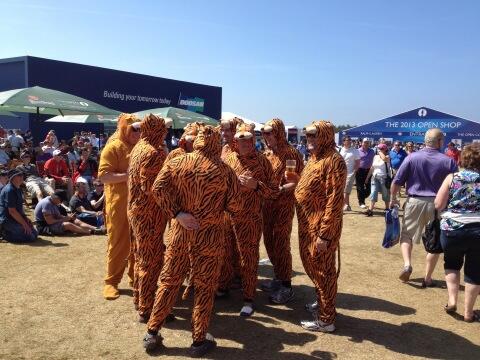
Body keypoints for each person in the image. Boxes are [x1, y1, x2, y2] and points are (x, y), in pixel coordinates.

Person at [143, 125, 243, 357]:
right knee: (205, 287)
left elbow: (157, 189)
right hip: (210, 235)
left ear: (196, 141)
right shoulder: (224, 170)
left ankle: (152, 331)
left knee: (169, 281)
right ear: (217, 143)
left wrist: (177, 213)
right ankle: (198, 340)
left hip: (181, 232)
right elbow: (236, 205)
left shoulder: (177, 162)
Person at [220, 123, 279, 316]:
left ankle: (248, 298)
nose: (244, 143)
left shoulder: (262, 162)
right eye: (240, 140)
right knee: (227, 254)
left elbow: (273, 192)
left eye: (247, 140)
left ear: (253, 141)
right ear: (235, 141)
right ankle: (224, 287)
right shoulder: (228, 159)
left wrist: (256, 186)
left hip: (250, 218)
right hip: (228, 217)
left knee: (249, 258)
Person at [294, 121, 347, 332]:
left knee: (324, 272)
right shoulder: (315, 158)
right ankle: (322, 302)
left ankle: (326, 319)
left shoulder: (334, 161)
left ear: (325, 136)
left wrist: (325, 235)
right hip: (307, 225)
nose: (310, 139)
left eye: (314, 135)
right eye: (307, 135)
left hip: (320, 228)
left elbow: (334, 201)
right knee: (314, 269)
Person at [390, 128, 457, 287]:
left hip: (414, 201)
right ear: (440, 142)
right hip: (438, 204)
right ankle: (427, 277)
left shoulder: (412, 157)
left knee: (407, 235)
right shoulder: (448, 161)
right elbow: (456, 185)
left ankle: (407, 264)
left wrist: (393, 199)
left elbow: (397, 181)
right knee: (434, 241)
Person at [128, 114, 171, 322]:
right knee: (150, 260)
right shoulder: (153, 153)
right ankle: (147, 307)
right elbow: (151, 189)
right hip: (149, 214)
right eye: (163, 130)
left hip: (137, 211)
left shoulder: (138, 147)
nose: (165, 133)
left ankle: (139, 297)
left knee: (140, 256)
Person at [259, 118, 304, 304]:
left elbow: (298, 181)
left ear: (278, 132)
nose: (266, 136)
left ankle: (286, 286)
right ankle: (277, 277)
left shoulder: (291, 153)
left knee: (281, 244)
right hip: (266, 205)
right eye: (264, 132)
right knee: (269, 243)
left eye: (269, 132)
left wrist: (282, 189)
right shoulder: (267, 153)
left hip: (283, 205)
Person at [434, 143, 480, 322]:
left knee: (452, 264)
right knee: (475, 271)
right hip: (478, 230)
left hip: (452, 229)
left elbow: (438, 204)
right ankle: (469, 312)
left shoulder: (452, 178)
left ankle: (452, 300)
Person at [98, 114, 141, 300]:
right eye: (133, 129)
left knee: (138, 243)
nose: (137, 133)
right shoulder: (113, 147)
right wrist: (128, 175)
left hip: (138, 206)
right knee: (117, 244)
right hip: (118, 205)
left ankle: (136, 278)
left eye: (139, 129)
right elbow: (104, 176)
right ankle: (111, 282)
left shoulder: (141, 147)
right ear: (124, 128)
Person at [35, 190, 104, 236]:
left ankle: (96, 228)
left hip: (51, 223)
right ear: (57, 198)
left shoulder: (52, 201)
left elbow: (57, 216)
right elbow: (50, 221)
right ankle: (91, 232)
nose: (61, 203)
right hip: (44, 227)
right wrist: (64, 219)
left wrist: (68, 217)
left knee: (75, 220)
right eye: (61, 200)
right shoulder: (46, 204)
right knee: (68, 224)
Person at [0, 169, 38, 243]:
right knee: (30, 237)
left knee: (35, 234)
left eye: (22, 175)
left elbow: (19, 208)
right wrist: (24, 224)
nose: (22, 177)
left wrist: (25, 219)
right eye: (19, 175)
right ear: (13, 178)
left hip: (14, 218)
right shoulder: (9, 190)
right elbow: (12, 211)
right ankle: (3, 234)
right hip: (7, 220)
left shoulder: (18, 188)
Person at [365, 144, 392, 216]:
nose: (379, 149)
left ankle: (387, 208)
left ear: (385, 149)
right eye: (379, 148)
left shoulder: (388, 156)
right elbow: (372, 167)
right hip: (375, 177)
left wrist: (380, 152)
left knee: (385, 194)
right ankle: (370, 210)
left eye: (381, 148)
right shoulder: (375, 157)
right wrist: (367, 178)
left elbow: (384, 159)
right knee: (373, 192)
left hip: (384, 178)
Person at [339, 136, 360, 211]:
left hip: (350, 173)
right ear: (343, 141)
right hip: (340, 173)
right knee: (341, 190)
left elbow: (358, 162)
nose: (349, 141)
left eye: (350, 140)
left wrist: (354, 171)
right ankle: (347, 205)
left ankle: (346, 205)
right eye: (347, 140)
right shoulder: (340, 150)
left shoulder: (355, 151)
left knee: (346, 190)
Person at [356, 138, 375, 209]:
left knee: (369, 188)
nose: (366, 144)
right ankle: (361, 202)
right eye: (365, 142)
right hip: (359, 170)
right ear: (362, 143)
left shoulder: (372, 151)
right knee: (360, 187)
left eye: (367, 142)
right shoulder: (357, 151)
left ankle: (362, 196)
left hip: (369, 171)